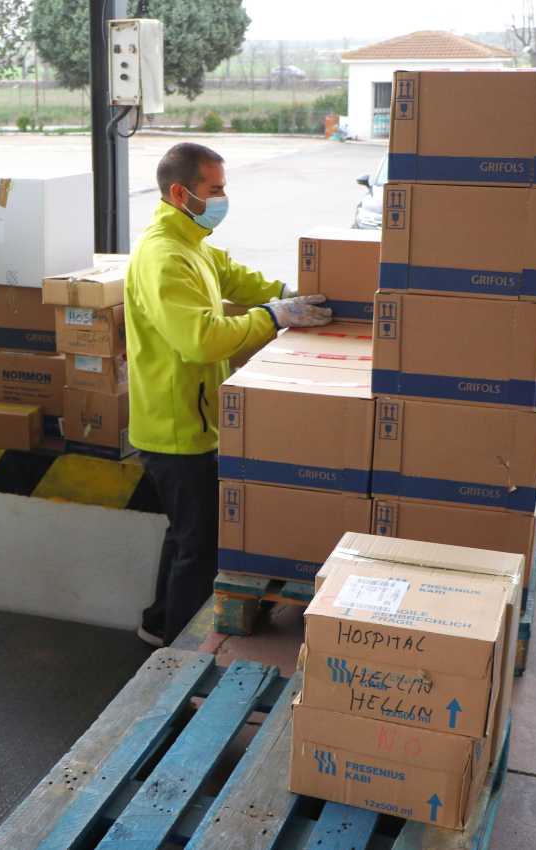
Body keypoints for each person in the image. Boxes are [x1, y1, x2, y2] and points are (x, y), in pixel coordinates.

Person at [126, 142, 332, 647]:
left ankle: (156, 623)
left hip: (193, 420)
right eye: (214, 189)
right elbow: (200, 341)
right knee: (198, 543)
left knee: (184, 533)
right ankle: (179, 654)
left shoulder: (193, 242)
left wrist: (287, 293)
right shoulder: (164, 257)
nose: (222, 197)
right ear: (181, 192)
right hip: (176, 429)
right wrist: (273, 318)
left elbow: (236, 276)